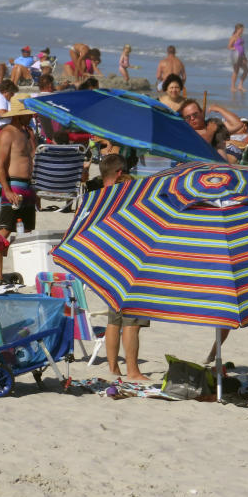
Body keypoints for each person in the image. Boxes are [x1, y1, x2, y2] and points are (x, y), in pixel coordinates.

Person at [98, 153, 150, 380]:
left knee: (114, 320)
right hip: (132, 264)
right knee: (132, 322)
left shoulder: (100, 198)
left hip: (110, 265)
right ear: (120, 172)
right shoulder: (129, 199)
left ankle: (113, 367)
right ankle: (133, 370)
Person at [0, 95, 37, 242]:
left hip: (28, 185)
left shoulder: (28, 132)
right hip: (13, 184)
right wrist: (7, 190)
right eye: (28, 113)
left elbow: (33, 159)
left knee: (27, 230)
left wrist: (35, 190)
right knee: (5, 230)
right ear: (19, 116)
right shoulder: (7, 133)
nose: (31, 116)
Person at [228, 23, 248, 92]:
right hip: (235, 55)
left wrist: (245, 57)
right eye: (241, 29)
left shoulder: (241, 37)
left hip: (241, 56)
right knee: (236, 71)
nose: (242, 30)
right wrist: (235, 48)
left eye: (243, 29)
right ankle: (232, 87)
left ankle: (240, 85)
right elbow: (229, 47)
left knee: (246, 70)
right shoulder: (233, 37)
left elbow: (242, 48)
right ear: (237, 29)